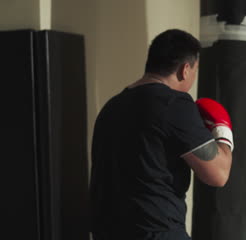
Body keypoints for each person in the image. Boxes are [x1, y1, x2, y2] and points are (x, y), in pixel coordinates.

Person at [89, 29, 233, 240]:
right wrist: (222, 132)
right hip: (156, 232)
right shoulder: (174, 104)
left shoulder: (112, 106)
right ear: (185, 69)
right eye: (195, 70)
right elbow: (218, 174)